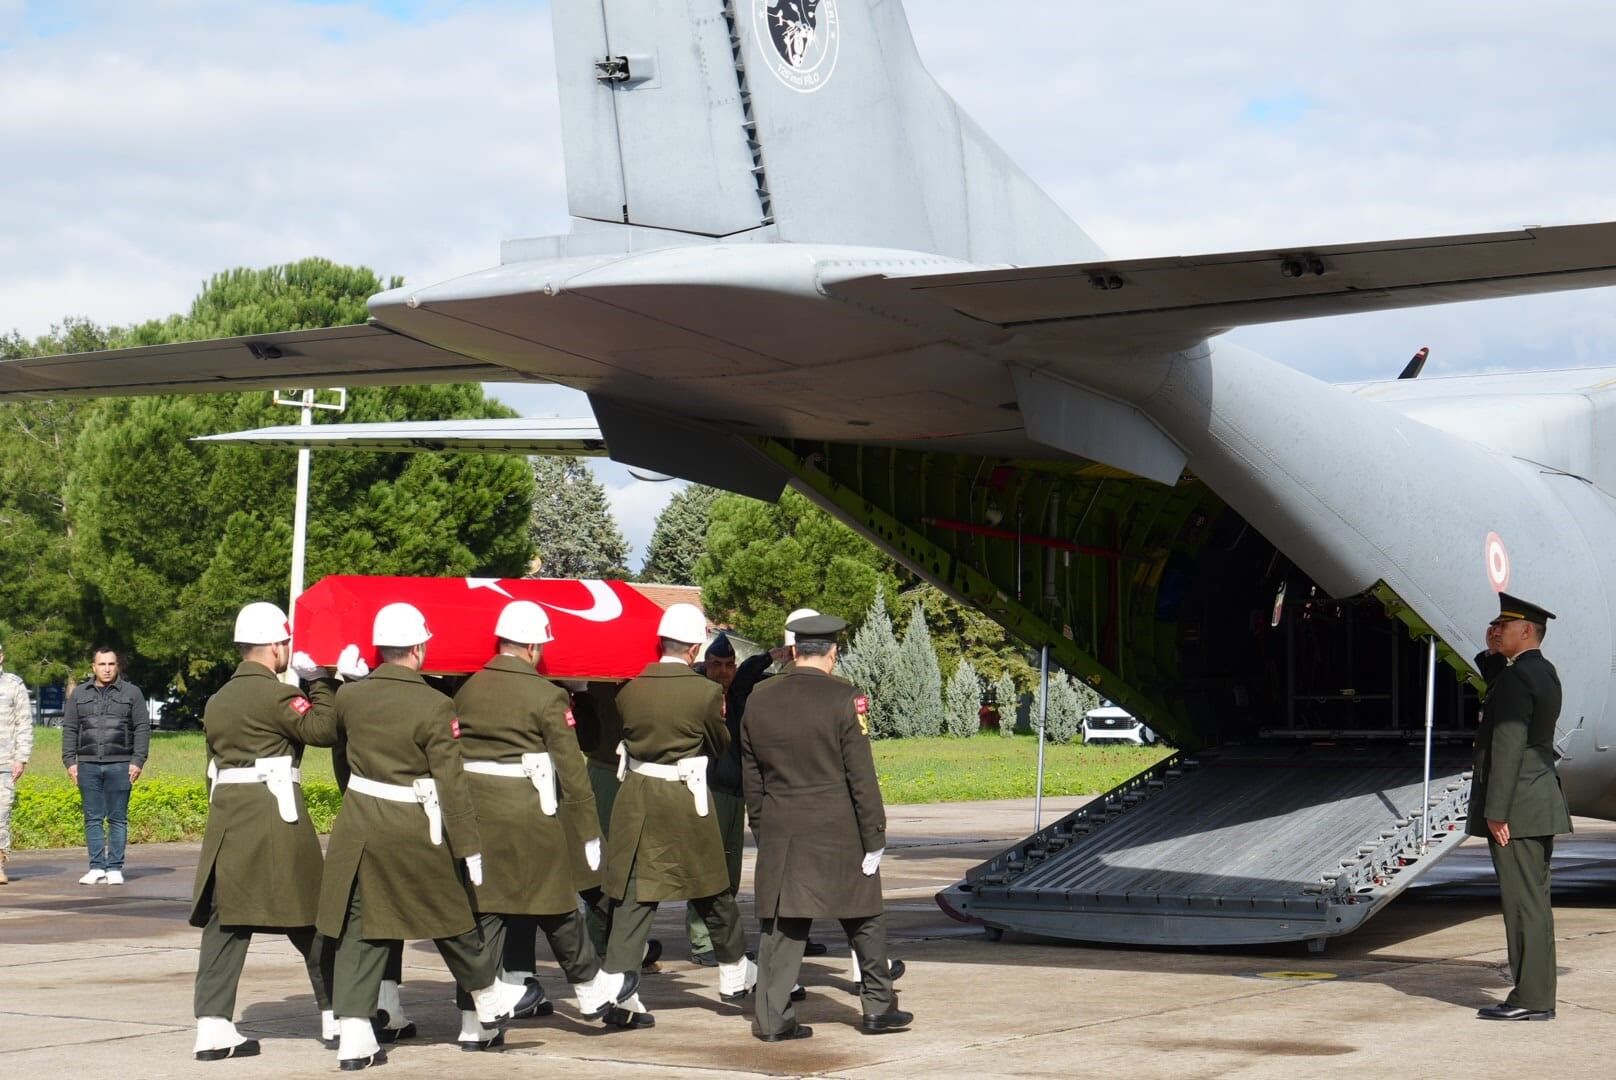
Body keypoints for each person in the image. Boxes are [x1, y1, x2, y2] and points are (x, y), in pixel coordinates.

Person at [316, 603, 541, 1069]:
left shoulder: (350, 697)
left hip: (359, 822)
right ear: (419, 648)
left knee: (362, 927)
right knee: (451, 915)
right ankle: (489, 994)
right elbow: (452, 783)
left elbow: (341, 756)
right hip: (415, 824)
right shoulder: (437, 705)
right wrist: (469, 846)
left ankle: (356, 1034)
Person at [451, 601, 638, 1049]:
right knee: (557, 904)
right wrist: (590, 831)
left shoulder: (467, 689)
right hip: (529, 815)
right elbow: (571, 771)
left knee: (486, 914)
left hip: (479, 813)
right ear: (534, 646)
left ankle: (475, 1022)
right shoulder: (547, 695)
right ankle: (592, 990)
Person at [741, 613, 912, 1041]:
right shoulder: (845, 699)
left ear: (794, 651)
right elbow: (861, 776)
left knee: (782, 924)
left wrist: (763, 830)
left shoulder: (759, 698)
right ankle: (877, 1007)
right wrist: (875, 835)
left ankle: (771, 1017)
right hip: (840, 829)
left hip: (783, 827)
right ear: (833, 654)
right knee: (865, 917)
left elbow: (753, 776)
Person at [189, 603, 342, 1061]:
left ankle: (213, 1025)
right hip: (275, 817)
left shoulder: (217, 700)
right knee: (311, 919)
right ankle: (341, 1014)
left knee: (226, 923)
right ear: (276, 645)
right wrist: (321, 683)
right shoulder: (276, 697)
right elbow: (323, 730)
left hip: (228, 817)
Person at [599, 602, 755, 1029]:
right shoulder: (705, 692)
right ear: (693, 649)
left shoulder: (630, 689)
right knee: (712, 889)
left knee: (635, 896)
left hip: (637, 798)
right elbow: (718, 742)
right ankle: (735, 972)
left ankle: (616, 987)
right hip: (684, 799)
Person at [1466, 593, 1572, 1022]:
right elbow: (1498, 684)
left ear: (1525, 630)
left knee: (1522, 903)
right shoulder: (1540, 672)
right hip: (1537, 800)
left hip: (1517, 808)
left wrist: (1497, 810)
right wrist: (1492, 650)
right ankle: (1534, 993)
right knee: (1534, 901)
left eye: (1503, 626)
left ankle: (1532, 997)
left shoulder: (1516, 679)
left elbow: (1508, 745)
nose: (1495, 631)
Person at [61, 647, 148, 885]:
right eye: (102, 664)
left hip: (120, 764)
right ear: (93, 667)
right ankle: (96, 866)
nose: (107, 669)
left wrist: (137, 760)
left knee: (117, 818)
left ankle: (115, 868)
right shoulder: (79, 693)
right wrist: (70, 761)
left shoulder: (132, 693)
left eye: (111, 664)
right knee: (92, 818)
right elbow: (69, 728)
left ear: (117, 665)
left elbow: (142, 728)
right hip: (87, 764)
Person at [0, 641, 33, 886]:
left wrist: (21, 758)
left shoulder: (13, 684)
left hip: (4, 761)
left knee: (1, 815)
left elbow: (24, 724)